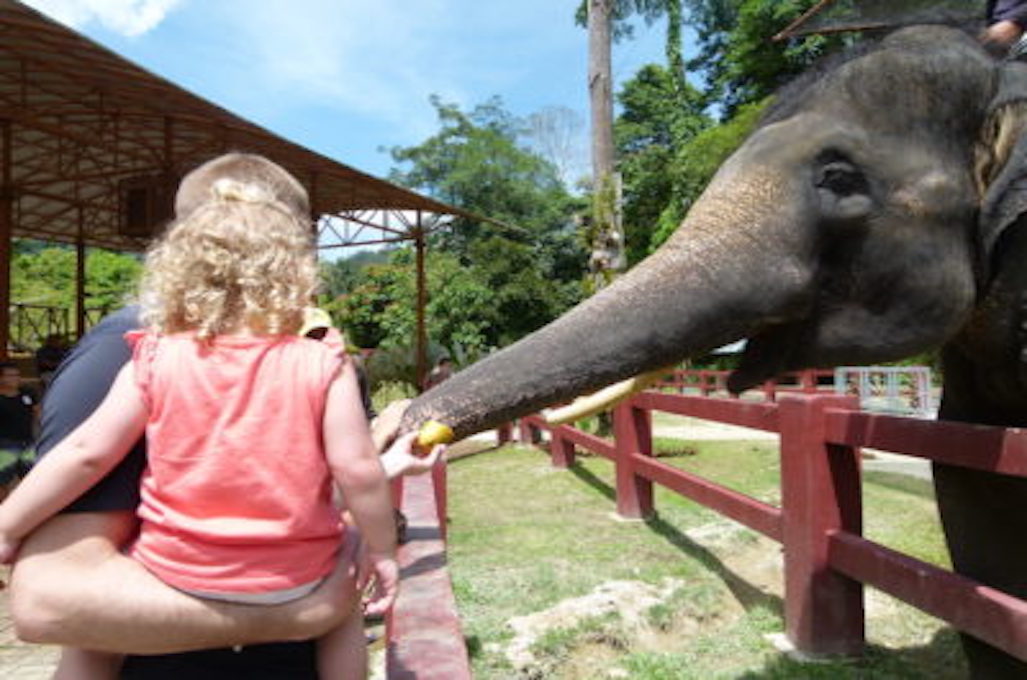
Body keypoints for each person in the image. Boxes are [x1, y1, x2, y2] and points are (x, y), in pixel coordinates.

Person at [0, 153, 441, 679]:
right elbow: (352, 469)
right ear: (298, 267)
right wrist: (379, 550)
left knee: (93, 647)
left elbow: (86, 454)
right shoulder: (324, 361)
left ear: (177, 258)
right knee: (343, 606)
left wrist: (7, 526)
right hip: (296, 576)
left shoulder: (154, 355)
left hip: (174, 571)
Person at [0, 361, 37, 491]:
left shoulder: (28, 393)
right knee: (2, 481)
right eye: (10, 375)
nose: (15, 378)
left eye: (17, 375)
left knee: (32, 479)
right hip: (5, 445)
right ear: (1, 378)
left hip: (28, 443)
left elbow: (38, 414)